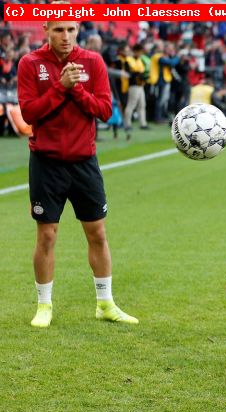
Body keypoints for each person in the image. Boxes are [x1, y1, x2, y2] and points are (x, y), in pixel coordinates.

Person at [17, 15, 138, 328]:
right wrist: (61, 87)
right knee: (47, 235)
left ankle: (105, 303)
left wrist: (77, 91)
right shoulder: (30, 63)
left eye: (71, 29)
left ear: (78, 30)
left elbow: (105, 110)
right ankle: (44, 306)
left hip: (84, 162)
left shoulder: (93, 61)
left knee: (97, 233)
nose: (65, 36)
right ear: (46, 30)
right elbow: (29, 113)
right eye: (58, 30)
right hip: (46, 163)